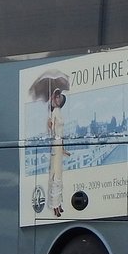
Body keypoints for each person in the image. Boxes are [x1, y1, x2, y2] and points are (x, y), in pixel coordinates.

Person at [47, 88, 70, 217]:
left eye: (59, 98)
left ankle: (59, 203)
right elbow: (52, 131)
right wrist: (49, 124)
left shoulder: (59, 112)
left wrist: (64, 149)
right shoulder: (54, 112)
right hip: (55, 144)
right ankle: (54, 205)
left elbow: (62, 133)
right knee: (55, 175)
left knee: (59, 175)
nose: (57, 99)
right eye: (56, 97)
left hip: (60, 143)